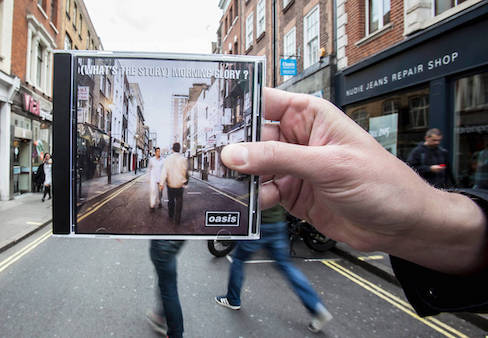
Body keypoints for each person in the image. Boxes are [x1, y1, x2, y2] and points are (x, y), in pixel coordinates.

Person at [218, 88, 488, 316]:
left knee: (243, 261)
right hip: (275, 222)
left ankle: (234, 297)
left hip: (266, 224)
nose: (437, 140)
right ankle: (315, 307)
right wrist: (420, 222)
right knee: (285, 266)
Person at [215, 205, 333, 332]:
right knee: (286, 266)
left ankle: (232, 299)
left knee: (238, 260)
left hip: (257, 224)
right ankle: (317, 308)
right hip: (277, 224)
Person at [146, 239, 186, 338]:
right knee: (166, 279)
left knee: (168, 288)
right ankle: (161, 316)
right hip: (176, 238)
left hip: (163, 240)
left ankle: (175, 334)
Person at [160, 143, 188, 224]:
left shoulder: (168, 159)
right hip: (180, 184)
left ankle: (171, 214)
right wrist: (185, 182)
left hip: (170, 184)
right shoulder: (183, 159)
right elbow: (185, 172)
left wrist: (161, 183)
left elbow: (164, 172)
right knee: (179, 201)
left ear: (172, 149)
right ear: (179, 149)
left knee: (171, 200)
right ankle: (177, 219)